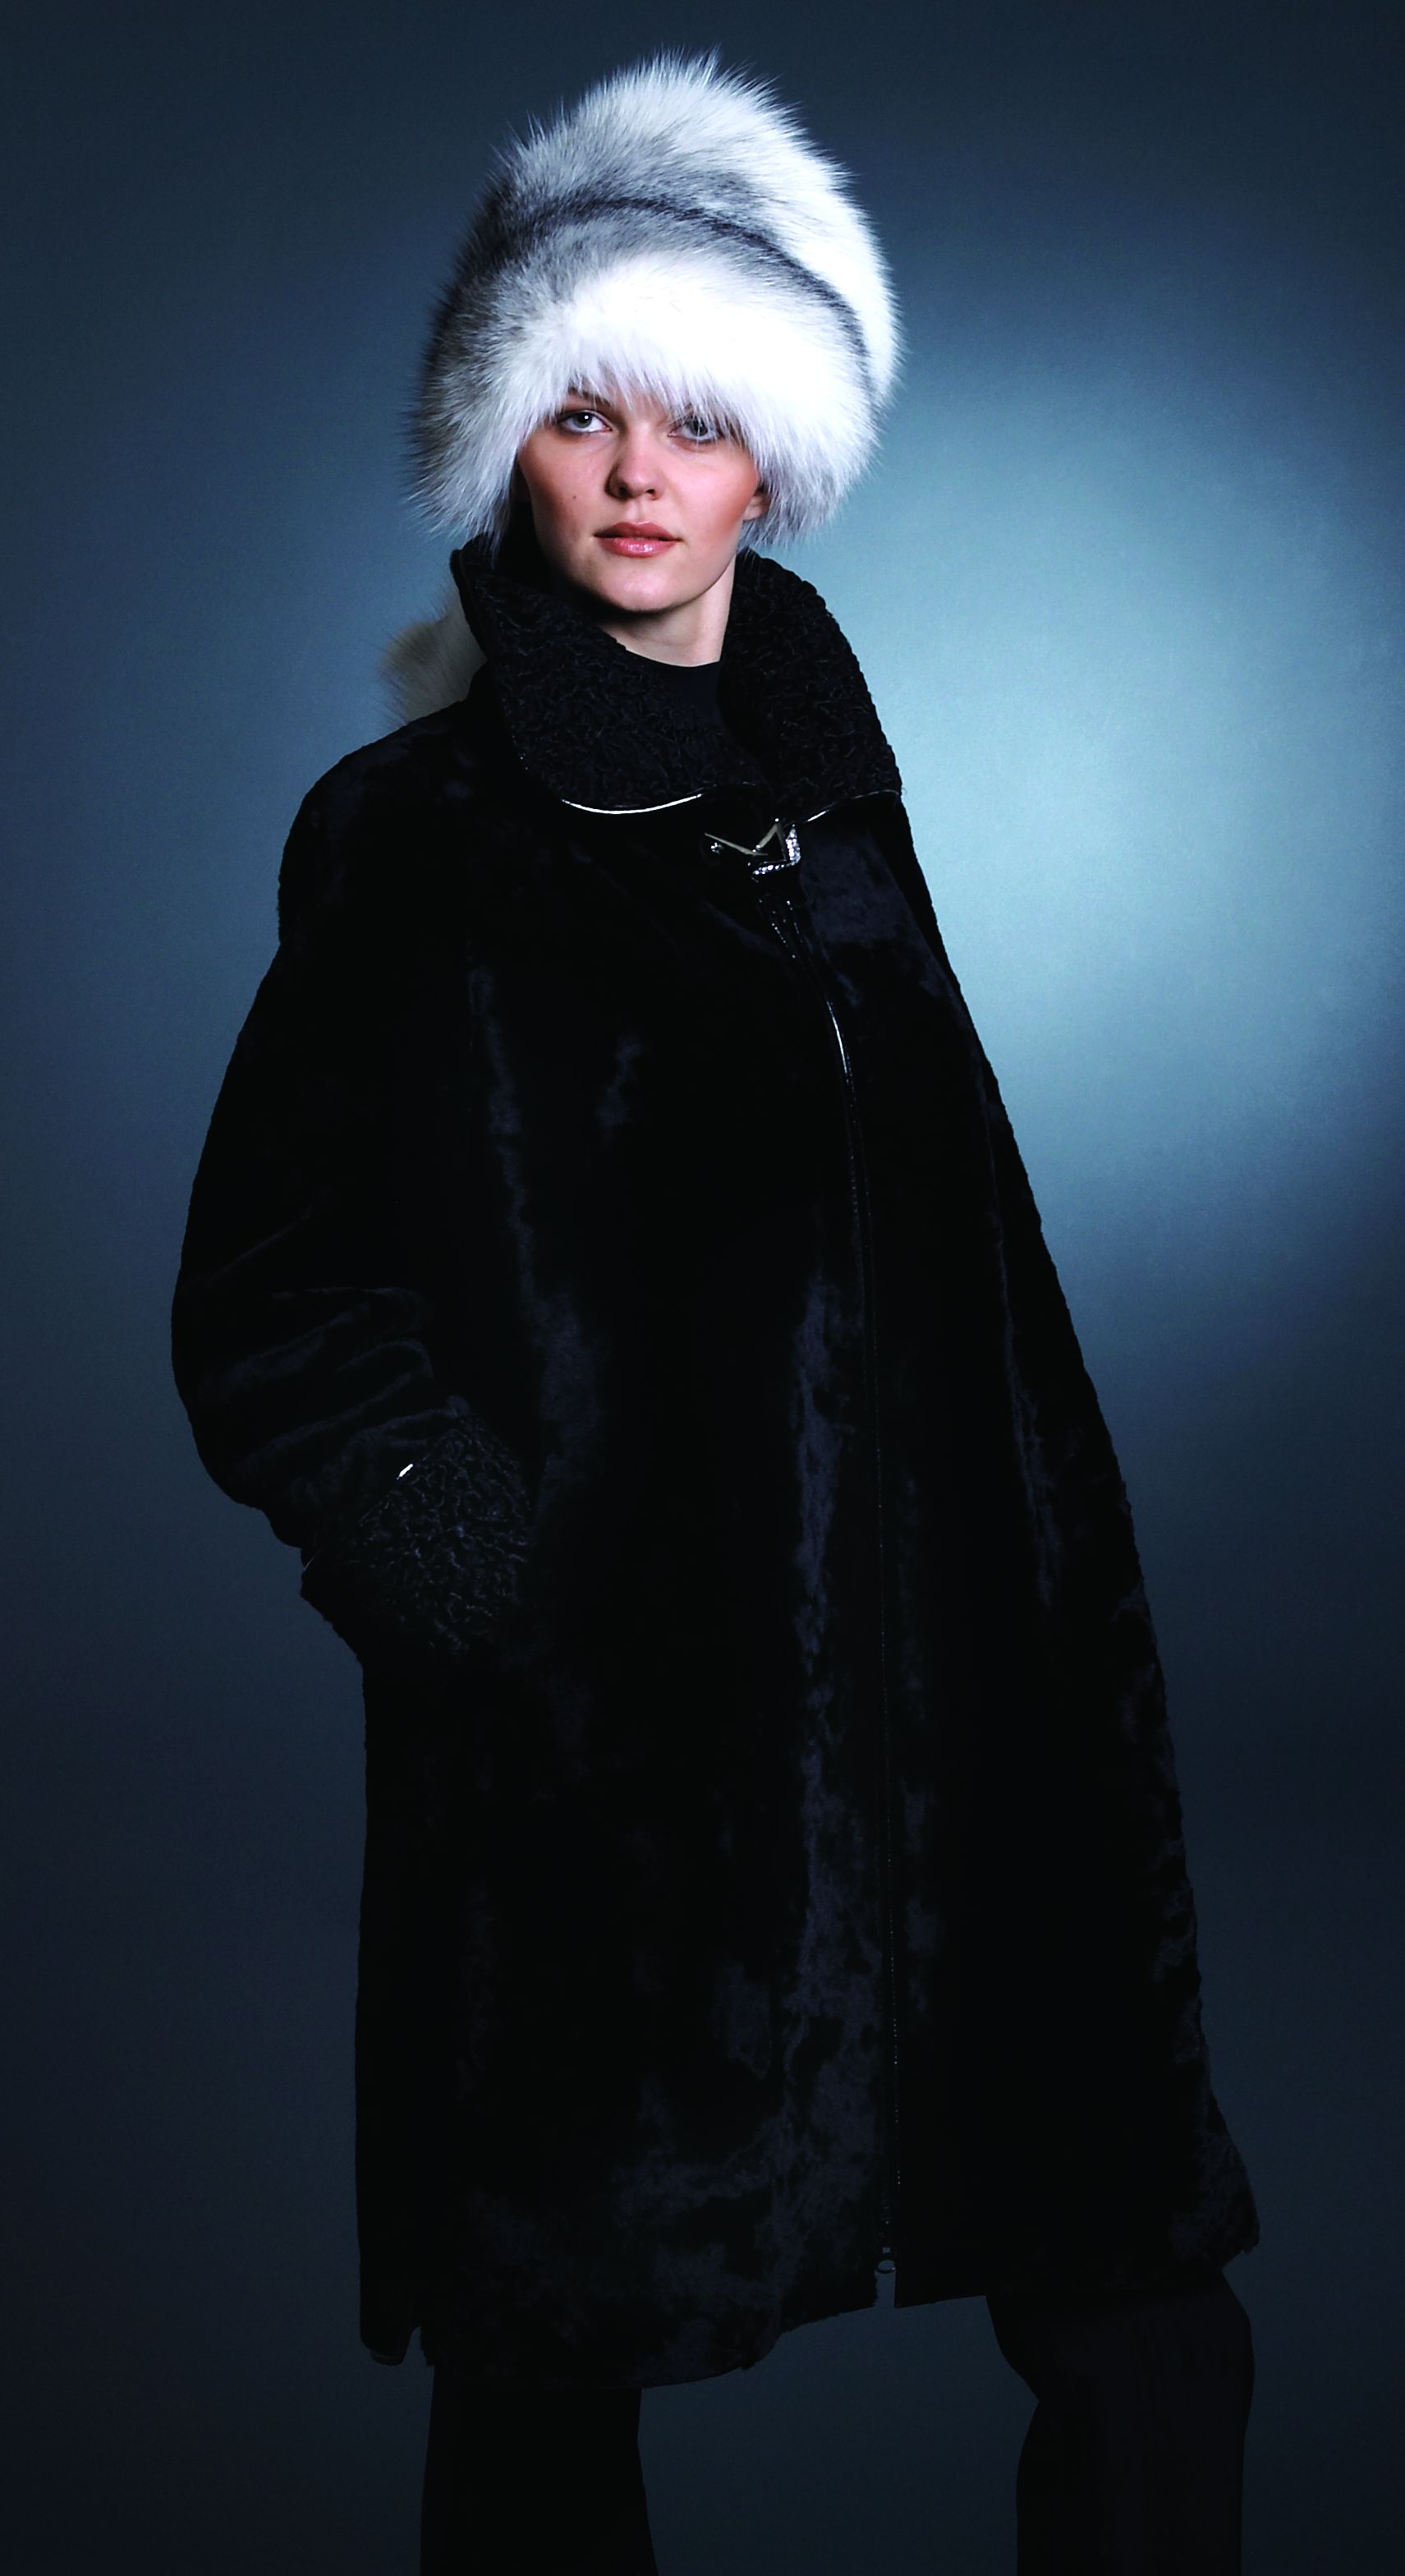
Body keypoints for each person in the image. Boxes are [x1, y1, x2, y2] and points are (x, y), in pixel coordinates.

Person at [170, 49, 1260, 2574]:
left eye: (699, 414)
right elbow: (273, 1298)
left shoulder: (832, 805)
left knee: (1144, 2318)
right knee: (549, 2371)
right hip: (619, 1783)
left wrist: (1048, 1610)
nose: (641, 470)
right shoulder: (419, 839)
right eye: (580, 412)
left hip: (982, 1745)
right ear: (507, 457)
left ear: (781, 457)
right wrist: (500, 1598)